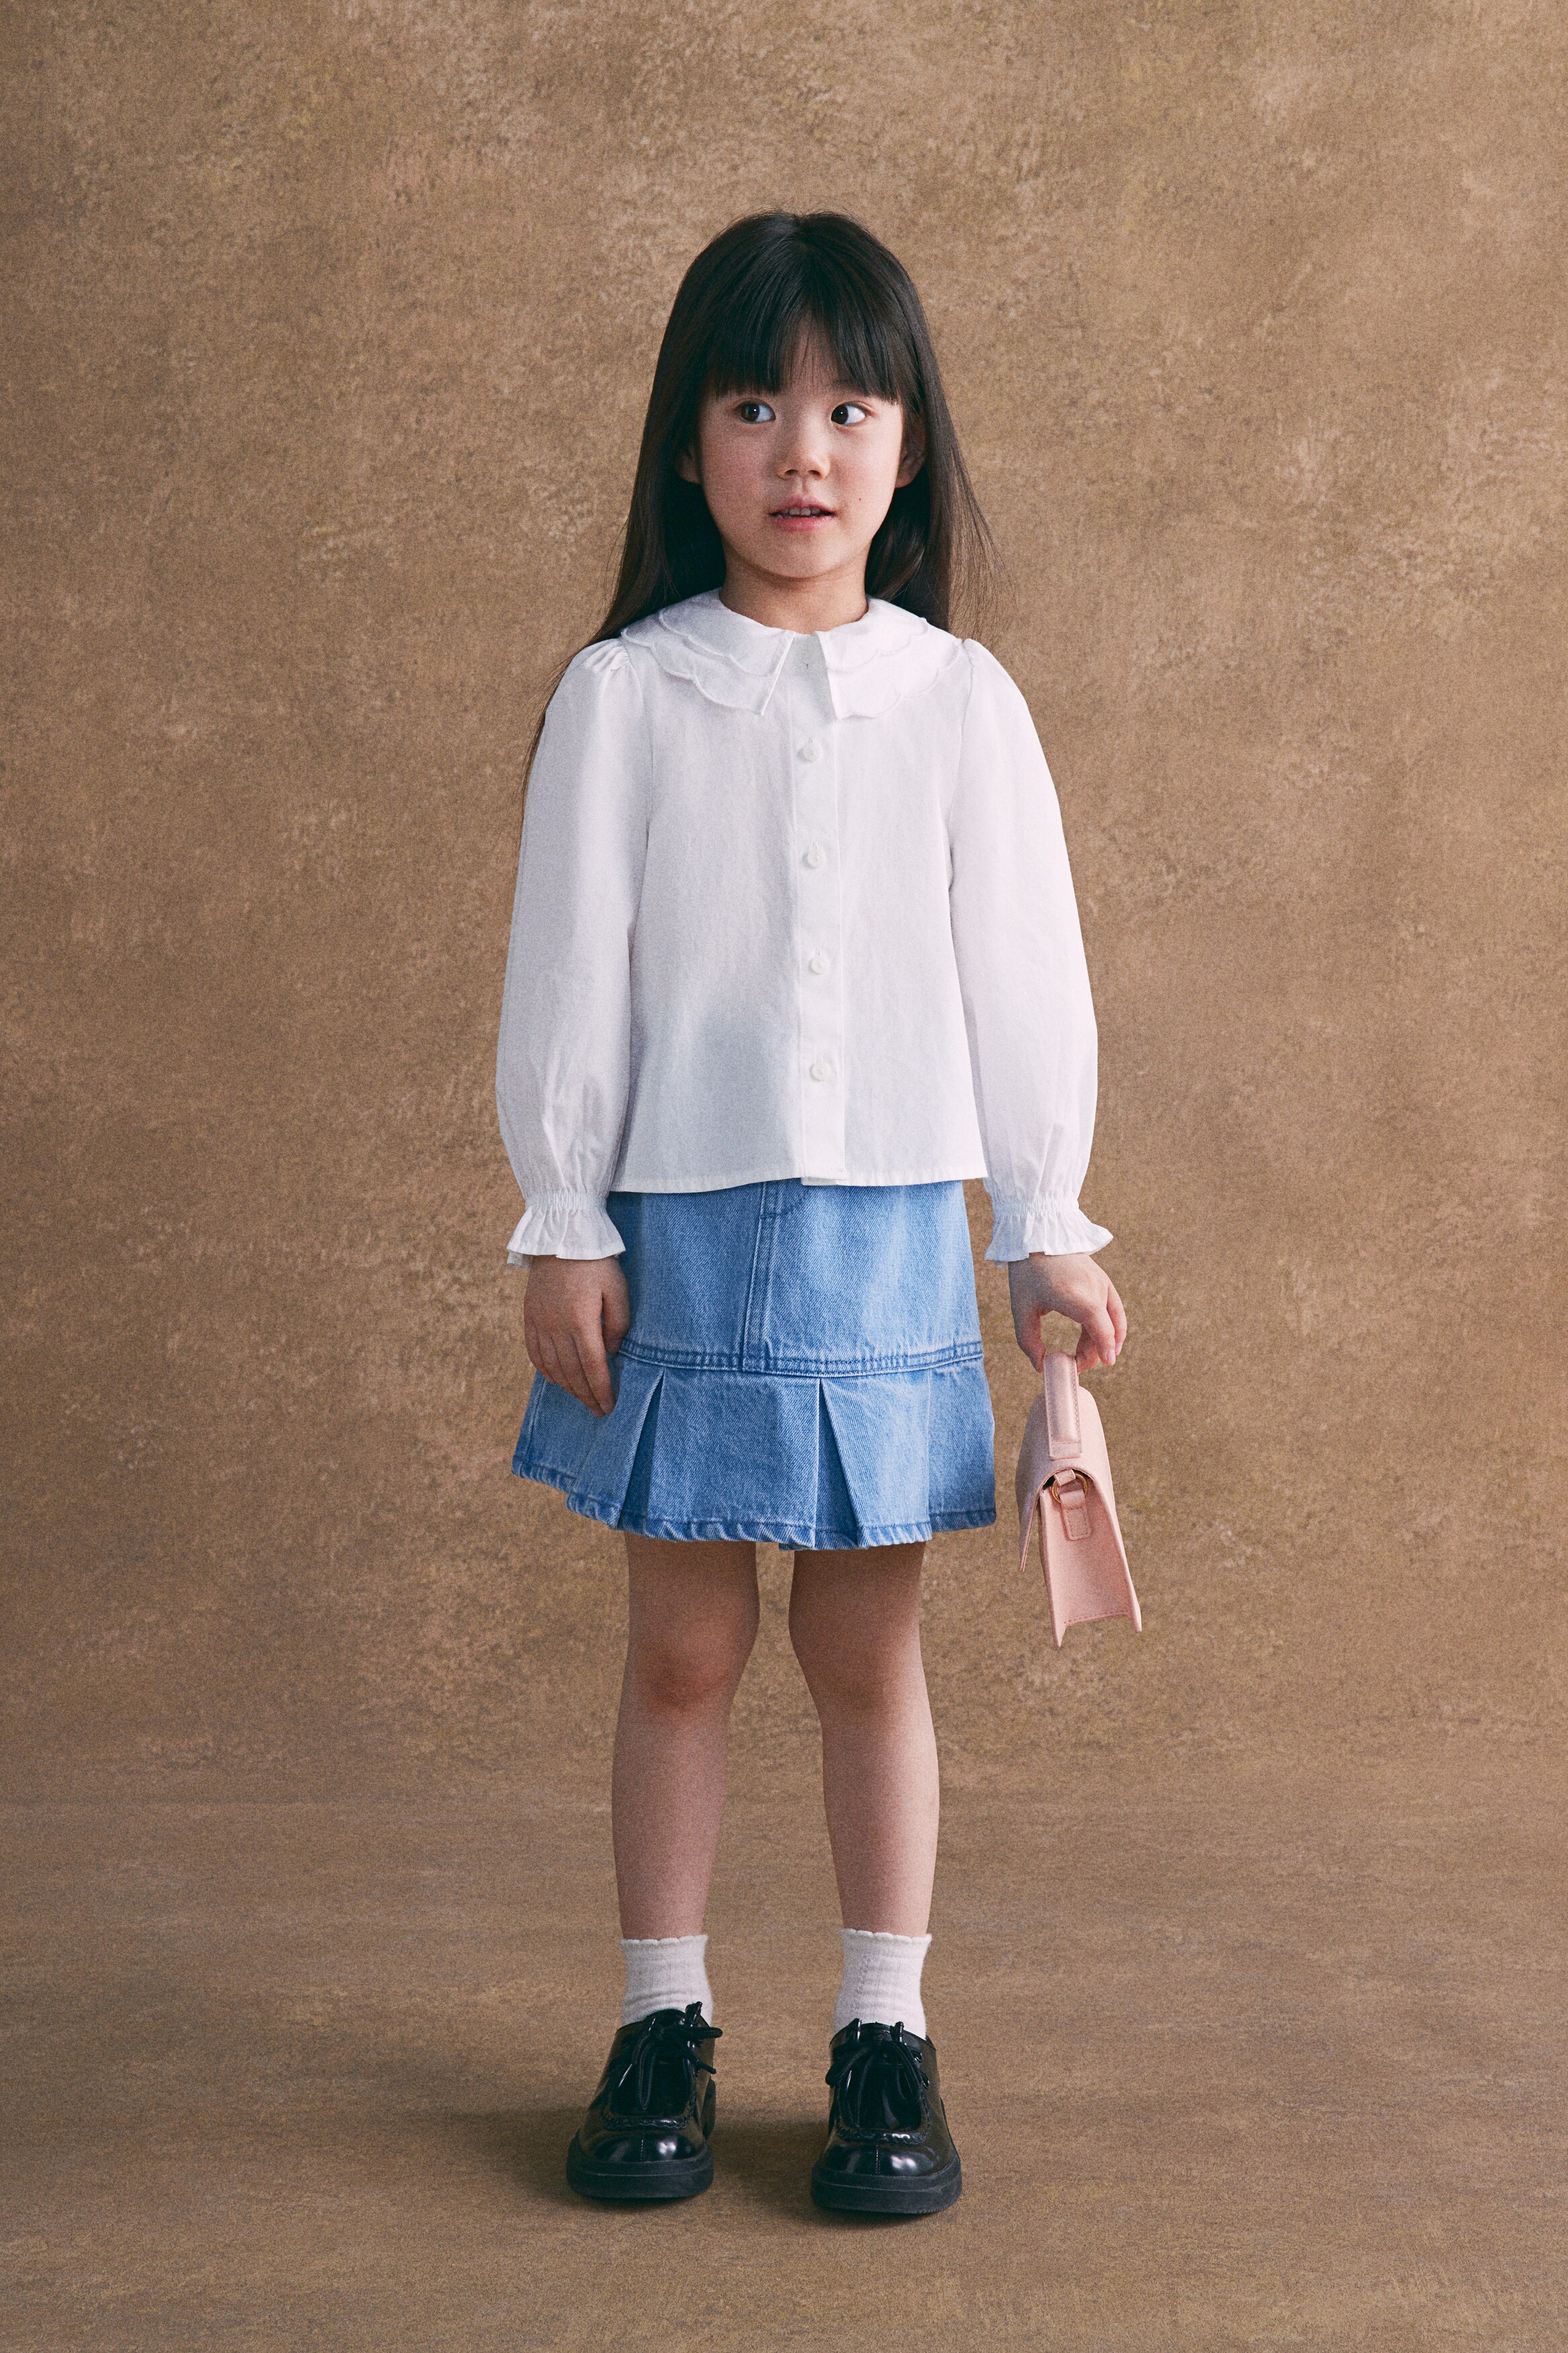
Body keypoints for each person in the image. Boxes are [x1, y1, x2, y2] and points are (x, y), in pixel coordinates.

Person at [495, 210, 1124, 2217]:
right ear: (691, 444)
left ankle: (884, 2031)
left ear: (908, 446)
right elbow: (571, 973)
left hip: (886, 1235)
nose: (804, 449)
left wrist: (1046, 1216)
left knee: (869, 1652)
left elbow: (1024, 974)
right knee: (682, 1647)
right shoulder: (624, 695)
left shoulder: (960, 701)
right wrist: (562, 1213)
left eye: (851, 409)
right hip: (674, 1233)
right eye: (757, 404)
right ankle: (662, 2018)